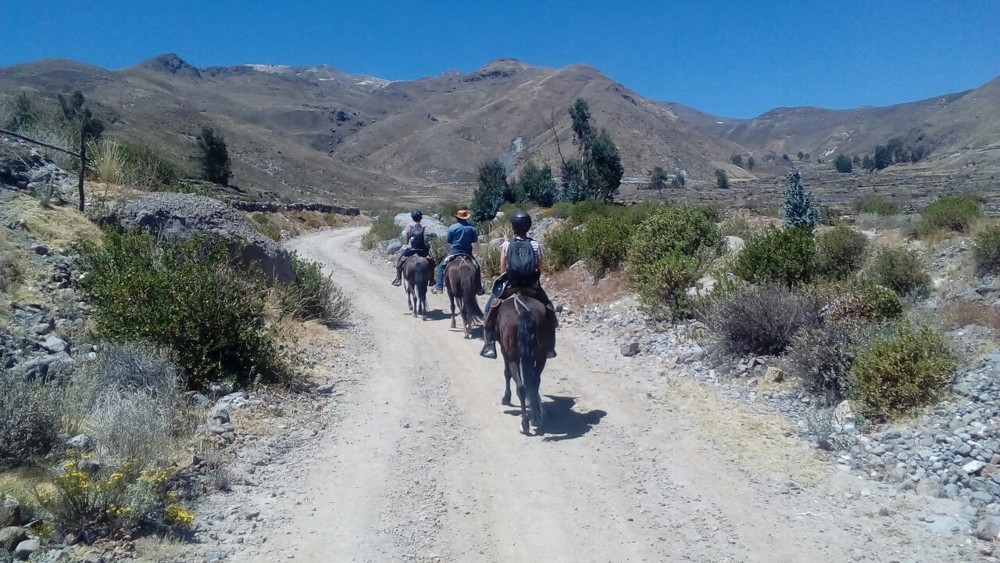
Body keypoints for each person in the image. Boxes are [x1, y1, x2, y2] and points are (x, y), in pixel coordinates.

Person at [480, 211, 557, 360]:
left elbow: (503, 268)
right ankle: (549, 348)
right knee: (549, 311)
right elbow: (539, 268)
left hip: (510, 286)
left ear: (513, 226)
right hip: (532, 286)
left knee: (488, 311)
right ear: (528, 226)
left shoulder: (507, 244)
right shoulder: (535, 244)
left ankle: (489, 346)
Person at [431, 209, 484, 295]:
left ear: (457, 218)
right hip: (467, 253)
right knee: (477, 267)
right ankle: (478, 288)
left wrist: (449, 251)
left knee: (441, 266)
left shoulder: (452, 227)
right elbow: (474, 241)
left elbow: (449, 241)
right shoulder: (471, 228)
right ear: (466, 218)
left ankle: (439, 287)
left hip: (454, 251)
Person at [391, 209, 433, 286]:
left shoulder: (409, 226)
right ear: (421, 218)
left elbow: (407, 236)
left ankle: (398, 278)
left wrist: (407, 244)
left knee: (399, 263)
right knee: (431, 262)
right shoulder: (424, 226)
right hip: (422, 250)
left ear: (412, 218)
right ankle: (432, 279)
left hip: (411, 249)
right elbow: (425, 238)